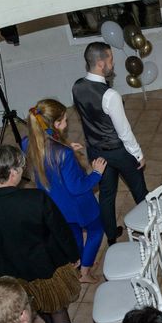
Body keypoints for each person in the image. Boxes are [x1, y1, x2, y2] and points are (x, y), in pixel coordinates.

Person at [0, 145, 80, 323]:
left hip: (12, 272)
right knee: (58, 309)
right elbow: (61, 231)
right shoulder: (35, 198)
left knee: (36, 306)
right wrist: (73, 256)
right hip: (48, 266)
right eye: (21, 167)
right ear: (13, 172)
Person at [23, 99, 107, 283]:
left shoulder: (27, 143)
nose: (67, 123)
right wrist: (96, 173)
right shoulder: (65, 155)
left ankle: (75, 265)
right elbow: (77, 187)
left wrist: (66, 146)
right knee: (95, 231)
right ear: (55, 124)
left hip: (55, 206)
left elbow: (49, 156)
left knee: (73, 235)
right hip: (79, 205)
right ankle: (85, 273)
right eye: (64, 120)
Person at [72, 42, 148, 246]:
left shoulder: (77, 86)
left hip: (95, 151)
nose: (113, 64)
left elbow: (87, 118)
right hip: (118, 151)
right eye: (111, 60)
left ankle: (112, 236)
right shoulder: (110, 95)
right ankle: (150, 227)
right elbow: (124, 130)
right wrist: (137, 154)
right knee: (139, 189)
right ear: (100, 63)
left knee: (106, 194)